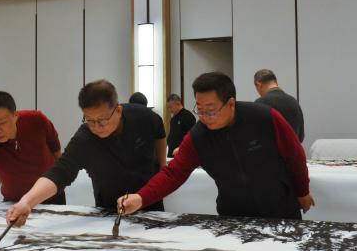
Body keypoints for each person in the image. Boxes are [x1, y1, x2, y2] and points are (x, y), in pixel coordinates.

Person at [118, 72, 315, 220]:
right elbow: (173, 173)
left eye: (211, 110)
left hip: (280, 209)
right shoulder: (199, 136)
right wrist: (141, 198)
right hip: (233, 215)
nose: (204, 117)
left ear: (231, 104)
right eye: (199, 109)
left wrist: (302, 191)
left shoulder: (264, 117)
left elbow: (295, 155)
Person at [5, 80, 167, 227]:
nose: (97, 127)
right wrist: (27, 201)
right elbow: (59, 172)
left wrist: (162, 164)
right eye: (90, 120)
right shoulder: (86, 138)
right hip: (110, 207)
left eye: (102, 120)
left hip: (149, 200)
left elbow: (159, 133)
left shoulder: (143, 116)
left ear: (118, 110)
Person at [254, 69, 305, 142]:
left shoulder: (259, 104)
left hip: (270, 149)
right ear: (276, 82)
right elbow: (300, 136)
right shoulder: (294, 102)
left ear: (259, 84)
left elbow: (256, 135)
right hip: (291, 148)